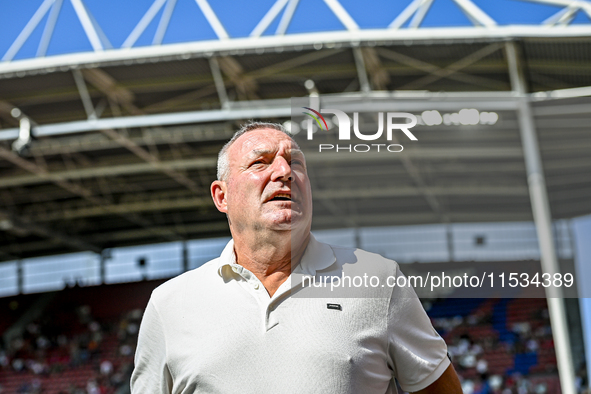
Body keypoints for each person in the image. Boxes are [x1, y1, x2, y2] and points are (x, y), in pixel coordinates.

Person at [131, 122, 462, 393]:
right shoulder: (169, 304)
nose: (284, 171)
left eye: (296, 163)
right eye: (261, 162)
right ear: (222, 196)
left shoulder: (377, 278)